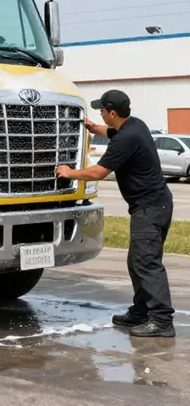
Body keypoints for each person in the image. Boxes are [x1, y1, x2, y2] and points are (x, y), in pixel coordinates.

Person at [56, 89, 174, 338]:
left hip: (150, 208)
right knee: (137, 262)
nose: (100, 112)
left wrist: (69, 173)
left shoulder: (125, 139)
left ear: (112, 112)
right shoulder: (135, 126)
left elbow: (98, 172)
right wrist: (93, 127)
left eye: (102, 110)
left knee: (147, 264)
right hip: (156, 204)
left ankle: (161, 320)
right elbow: (111, 131)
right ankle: (141, 312)